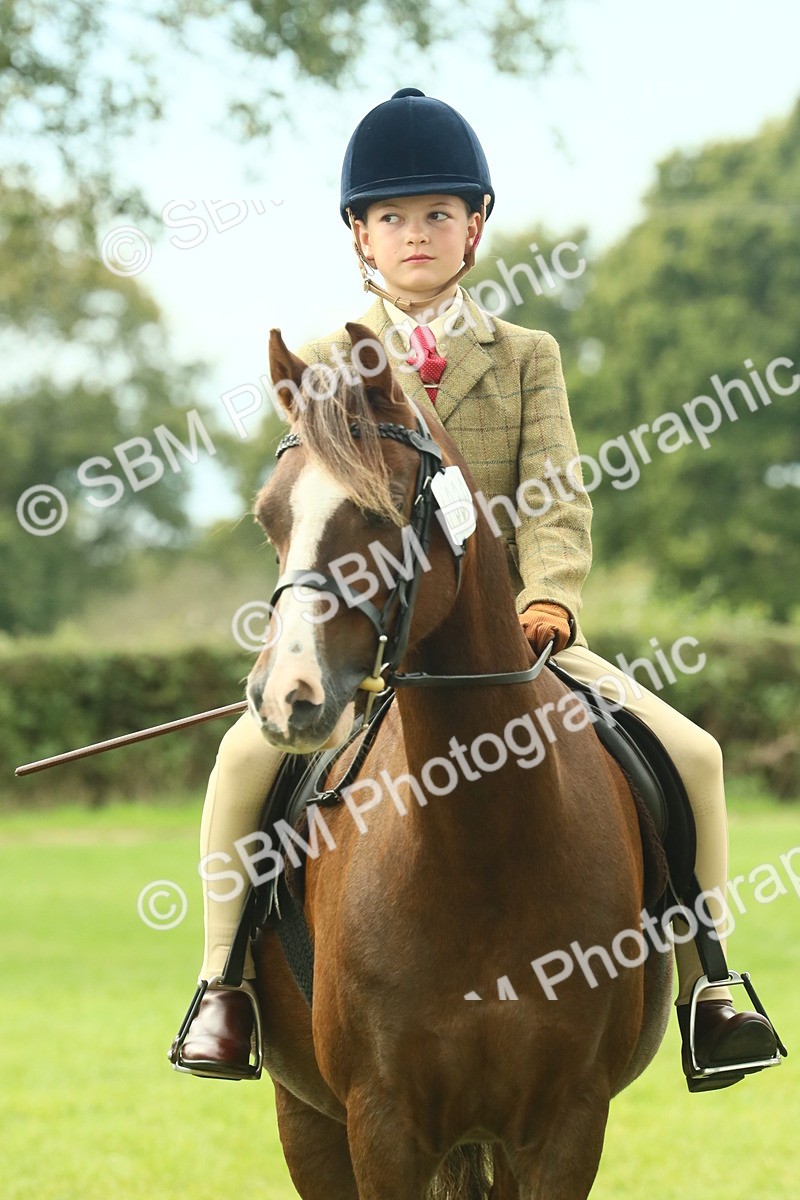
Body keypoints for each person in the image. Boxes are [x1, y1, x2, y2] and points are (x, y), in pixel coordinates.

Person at [171, 87, 780, 1091]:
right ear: (359, 238)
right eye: (393, 219)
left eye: (437, 216)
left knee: (695, 755)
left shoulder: (526, 357)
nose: (416, 235)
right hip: (368, 650)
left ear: (475, 229)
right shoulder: (325, 366)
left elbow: (554, 497)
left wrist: (550, 594)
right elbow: (312, 522)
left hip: (514, 639)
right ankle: (223, 985)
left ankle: (707, 989)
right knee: (243, 761)